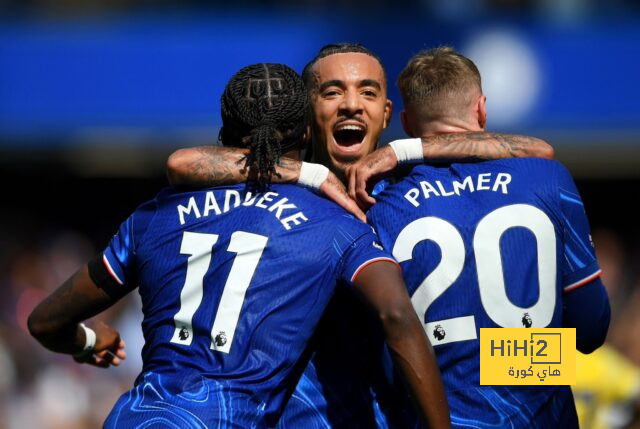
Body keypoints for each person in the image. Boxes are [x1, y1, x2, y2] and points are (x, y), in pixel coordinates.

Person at [28, 63, 450, 428]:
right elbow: (395, 313)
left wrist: (86, 341)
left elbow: (45, 322)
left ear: (224, 134)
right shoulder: (335, 223)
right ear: (306, 131)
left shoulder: (153, 217)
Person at [166, 43, 557, 428]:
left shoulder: (409, 204)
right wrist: (309, 175)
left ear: (388, 115)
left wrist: (402, 151)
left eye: (367, 92)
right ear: (307, 116)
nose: (352, 104)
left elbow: (539, 150)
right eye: (332, 91)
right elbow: (180, 163)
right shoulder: (276, 205)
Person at [355, 47, 611, 427]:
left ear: (407, 123)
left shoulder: (376, 202)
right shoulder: (548, 179)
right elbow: (591, 329)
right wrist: (514, 354)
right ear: (481, 108)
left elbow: (377, 355)